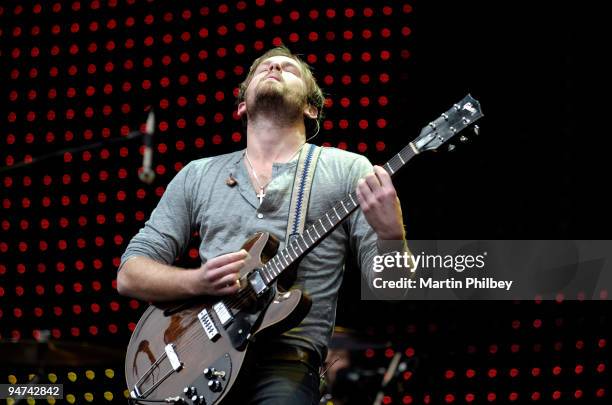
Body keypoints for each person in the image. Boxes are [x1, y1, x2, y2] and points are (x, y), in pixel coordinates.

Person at [117, 46, 407, 405]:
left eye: (290, 69)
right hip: (196, 360)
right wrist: (196, 280)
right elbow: (129, 275)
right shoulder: (197, 174)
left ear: (310, 108)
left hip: (287, 362)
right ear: (241, 106)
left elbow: (395, 288)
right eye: (264, 67)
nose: (275, 65)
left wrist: (391, 235)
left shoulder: (348, 170)